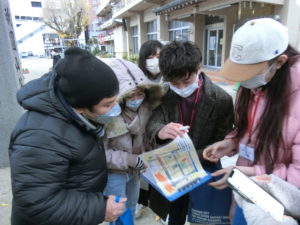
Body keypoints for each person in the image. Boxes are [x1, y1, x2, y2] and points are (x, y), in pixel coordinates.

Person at [9, 47, 126, 225]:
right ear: (81, 103)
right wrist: (100, 208)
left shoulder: (76, 117)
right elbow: (38, 205)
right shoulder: (40, 137)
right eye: (107, 104)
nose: (115, 108)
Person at [202, 18, 300, 224]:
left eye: (250, 73)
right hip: (247, 193)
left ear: (280, 62)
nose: (245, 82)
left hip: (276, 205)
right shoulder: (257, 87)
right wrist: (232, 142)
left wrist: (249, 173)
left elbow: (297, 175)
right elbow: (249, 130)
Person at [146, 41, 234, 225]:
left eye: (186, 81)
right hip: (172, 169)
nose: (180, 87)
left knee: (204, 215)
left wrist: (204, 154)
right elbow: (152, 123)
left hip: (203, 167)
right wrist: (161, 131)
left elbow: (222, 139)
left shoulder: (221, 100)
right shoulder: (162, 94)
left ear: (199, 67)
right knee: (174, 212)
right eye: (173, 82)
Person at [103, 59, 163, 224]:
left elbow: (146, 138)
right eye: (130, 95)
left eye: (140, 93)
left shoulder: (146, 108)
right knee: (116, 211)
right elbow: (100, 153)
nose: (136, 99)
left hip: (136, 171)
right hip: (114, 173)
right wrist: (131, 160)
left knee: (130, 205)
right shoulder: (107, 116)